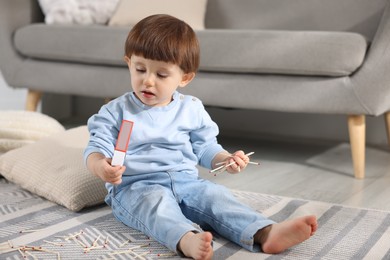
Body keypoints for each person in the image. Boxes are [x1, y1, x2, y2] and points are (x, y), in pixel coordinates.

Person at [84, 14, 318, 260]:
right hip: (136, 188)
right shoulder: (115, 111)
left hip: (187, 182)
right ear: (128, 63)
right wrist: (101, 167)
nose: (148, 81)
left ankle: (265, 232)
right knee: (157, 208)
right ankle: (187, 239)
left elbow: (206, 149)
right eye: (140, 69)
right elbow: (95, 149)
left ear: (184, 78)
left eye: (162, 75)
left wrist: (226, 160)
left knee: (217, 198)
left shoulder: (191, 109)